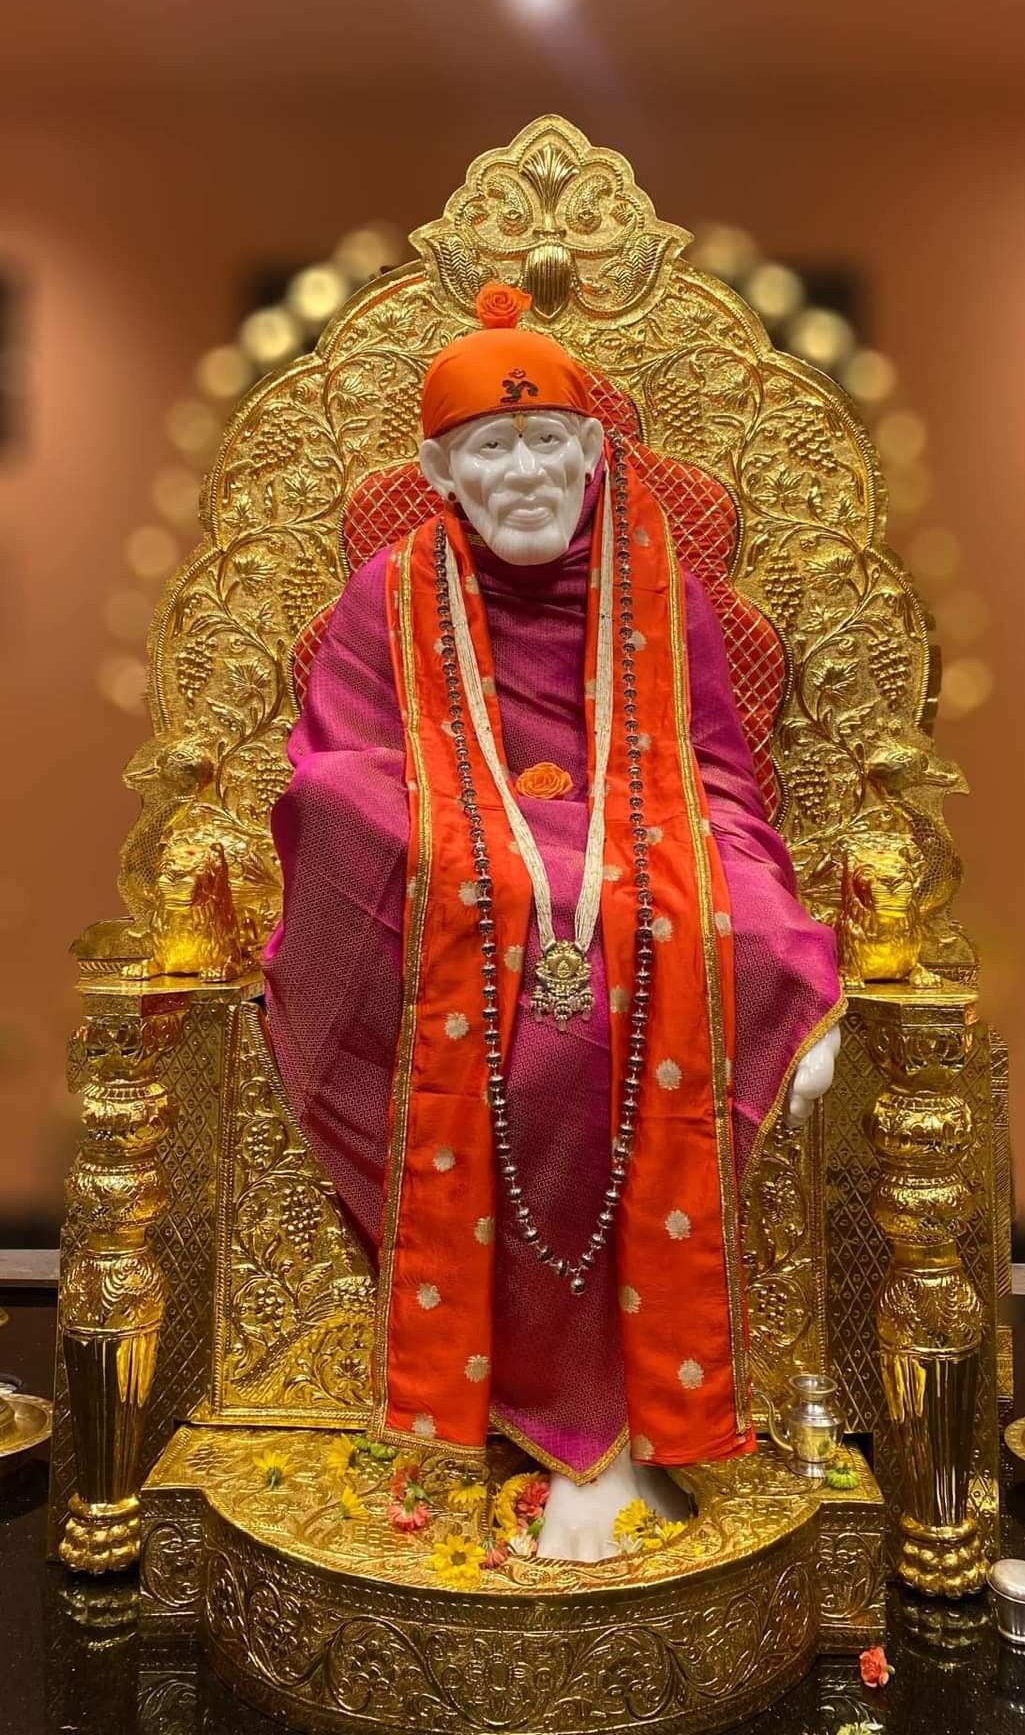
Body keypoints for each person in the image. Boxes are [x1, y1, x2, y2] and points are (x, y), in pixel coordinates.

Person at [263, 282, 843, 1559]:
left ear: (591, 452)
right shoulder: (390, 595)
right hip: (454, 903)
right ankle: (559, 1419)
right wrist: (494, 856)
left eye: (543, 444)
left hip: (647, 875)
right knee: (540, 1030)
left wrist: (783, 940)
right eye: (488, 448)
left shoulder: (660, 592)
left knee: (731, 952)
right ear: (439, 470)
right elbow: (335, 774)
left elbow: (721, 783)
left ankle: (623, 1423)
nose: (521, 472)